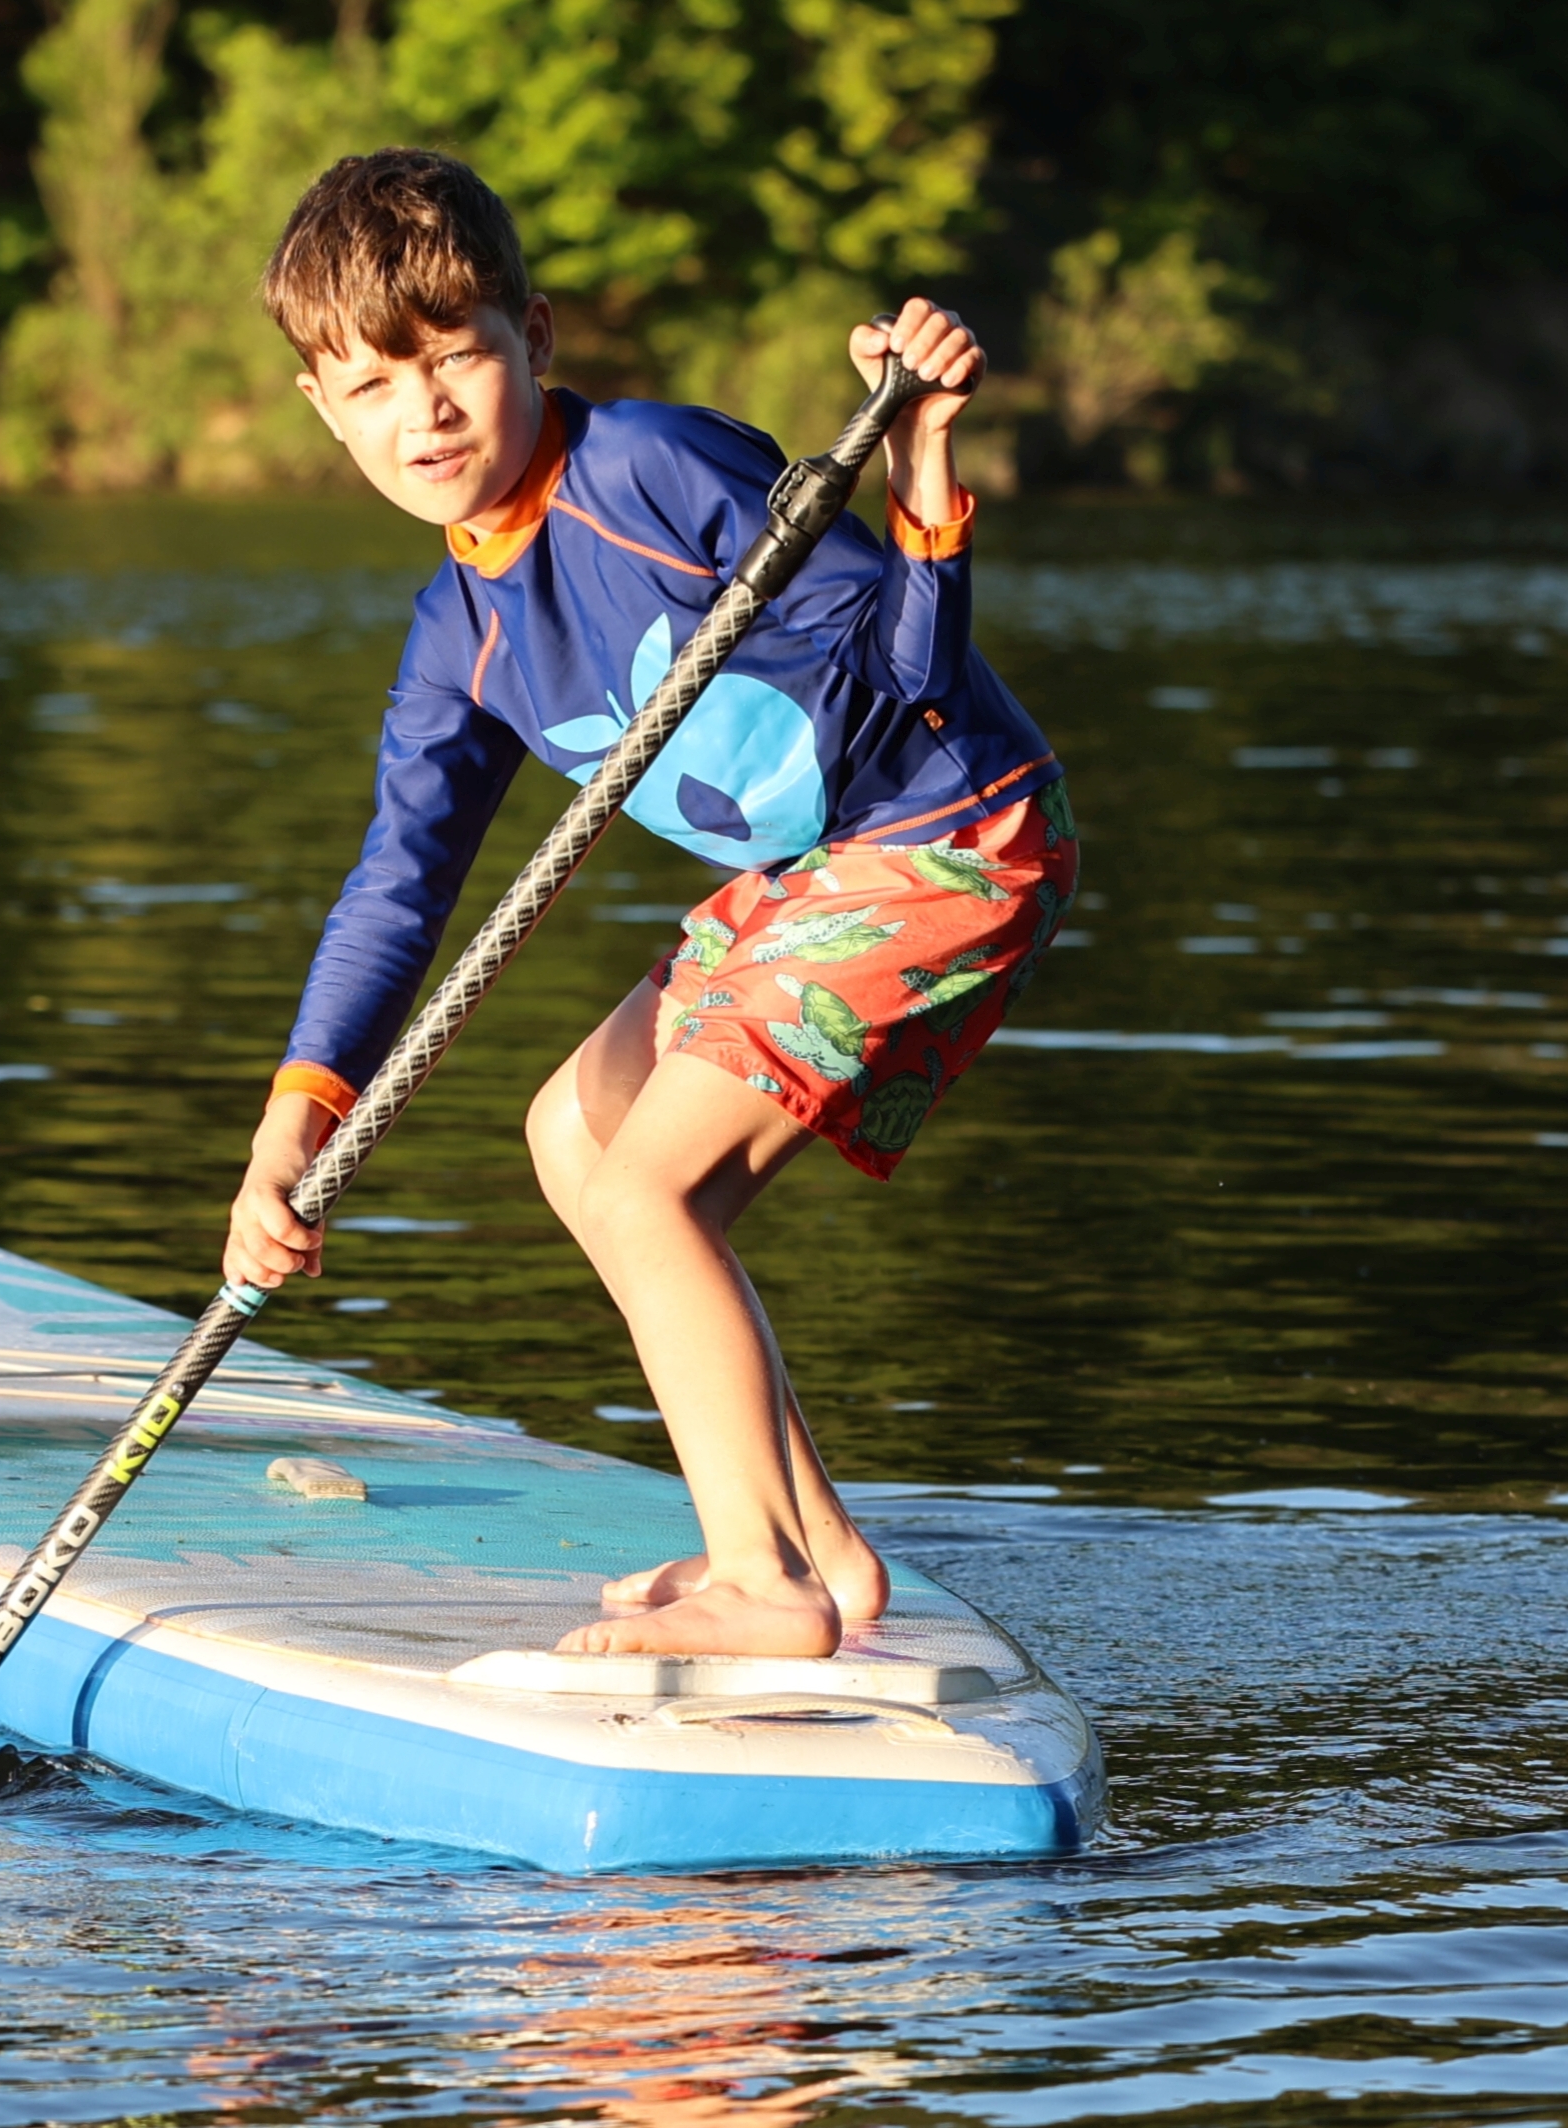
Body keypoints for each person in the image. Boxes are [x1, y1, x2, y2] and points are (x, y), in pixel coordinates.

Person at [217, 149, 1074, 1661]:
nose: (422, 413)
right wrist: (297, 1118)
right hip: (815, 869)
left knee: (646, 1192)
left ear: (533, 338)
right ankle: (822, 1556)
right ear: (321, 407)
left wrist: (923, 483)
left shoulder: (655, 472)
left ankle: (762, 1583)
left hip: (949, 832)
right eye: (371, 385)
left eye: (456, 356)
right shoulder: (456, 638)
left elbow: (918, 675)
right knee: (574, 1131)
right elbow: (399, 885)